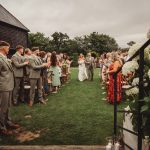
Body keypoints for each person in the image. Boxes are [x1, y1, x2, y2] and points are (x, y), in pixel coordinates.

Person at [0, 41, 20, 135]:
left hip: (9, 85)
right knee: (2, 108)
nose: (9, 49)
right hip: (3, 87)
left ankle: (8, 122)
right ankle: (2, 127)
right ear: (3, 48)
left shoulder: (5, 58)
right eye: (8, 48)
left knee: (8, 106)